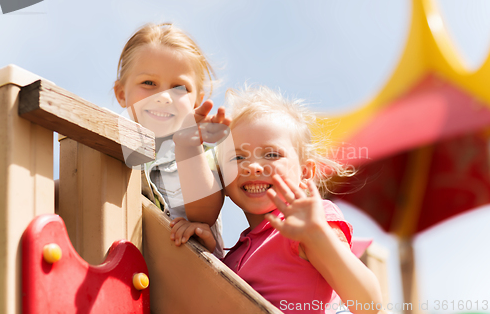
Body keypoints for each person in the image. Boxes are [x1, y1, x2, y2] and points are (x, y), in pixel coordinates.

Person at [170, 86, 382, 313]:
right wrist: (208, 252)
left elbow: (369, 304)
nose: (252, 166)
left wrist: (319, 236)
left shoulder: (307, 222)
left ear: (305, 173)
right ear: (223, 179)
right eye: (238, 157)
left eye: (271, 154)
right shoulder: (235, 256)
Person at [113, 23, 228, 258]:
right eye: (148, 83)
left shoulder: (200, 144)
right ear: (122, 94)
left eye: (179, 87)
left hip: (188, 272)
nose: (164, 97)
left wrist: (189, 146)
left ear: (197, 101)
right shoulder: (110, 145)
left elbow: (204, 215)